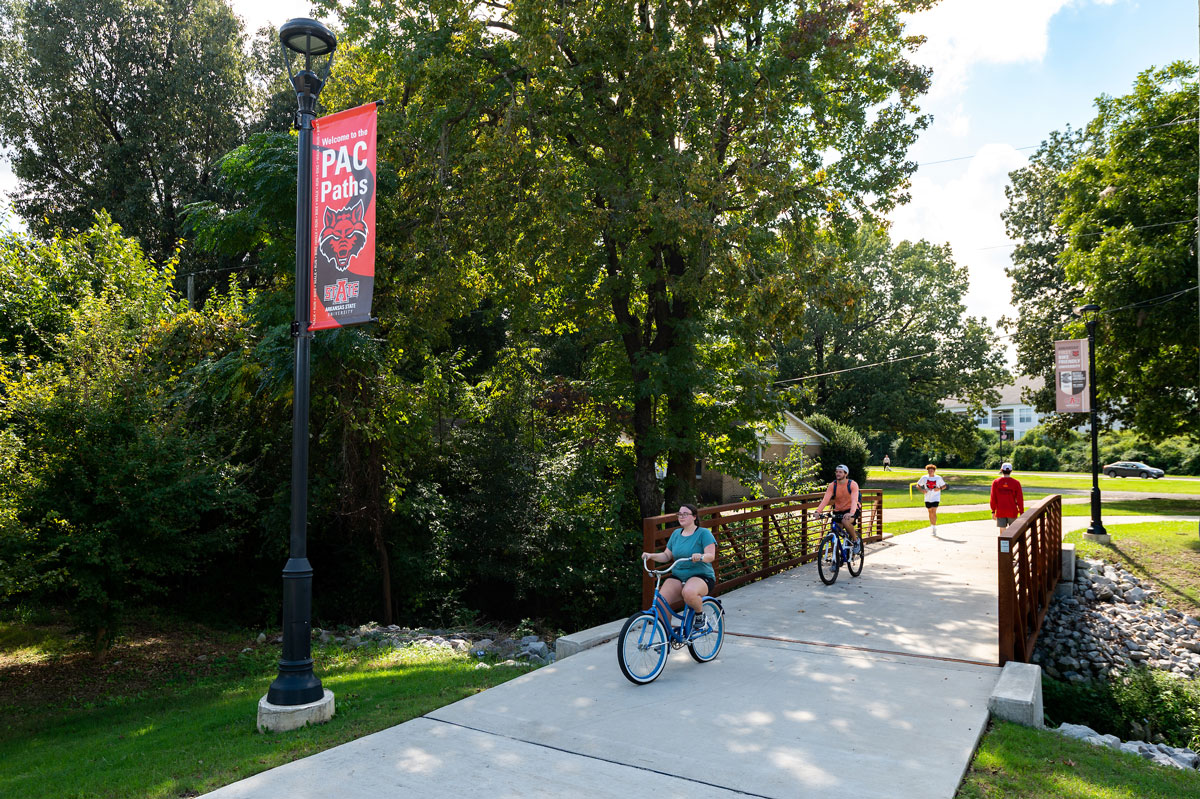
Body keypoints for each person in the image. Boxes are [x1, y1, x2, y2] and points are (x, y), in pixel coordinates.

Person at [642, 504, 717, 632]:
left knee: (688, 593)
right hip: (678, 575)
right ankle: (666, 636)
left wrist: (701, 556)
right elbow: (666, 555)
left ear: (694, 517)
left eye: (685, 514)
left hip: (701, 576)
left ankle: (700, 615)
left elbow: (711, 556)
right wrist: (651, 555)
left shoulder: (703, 533)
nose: (681, 516)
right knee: (660, 602)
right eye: (679, 514)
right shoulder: (676, 534)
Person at [812, 464, 862, 551]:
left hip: (852, 509)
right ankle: (837, 557)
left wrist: (851, 513)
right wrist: (818, 511)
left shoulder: (852, 484)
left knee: (845, 521)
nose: (838, 474)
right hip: (838, 510)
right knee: (833, 532)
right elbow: (825, 499)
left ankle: (856, 541)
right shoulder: (832, 485)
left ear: (845, 474)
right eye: (837, 472)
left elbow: (854, 500)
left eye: (840, 472)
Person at [990, 462, 1025, 529]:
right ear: (1011, 471)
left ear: (1001, 470)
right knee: (1013, 531)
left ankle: (1003, 540)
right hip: (1012, 511)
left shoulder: (996, 482)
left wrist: (993, 511)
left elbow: (993, 498)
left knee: (1002, 531)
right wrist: (1021, 512)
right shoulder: (1016, 483)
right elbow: (1020, 499)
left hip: (1000, 511)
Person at [917, 463, 947, 534]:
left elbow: (944, 486)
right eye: (929, 470)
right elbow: (918, 485)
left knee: (934, 510)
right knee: (930, 511)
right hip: (927, 498)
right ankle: (932, 525)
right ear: (927, 471)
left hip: (936, 497)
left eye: (932, 470)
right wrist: (922, 490)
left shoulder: (938, 478)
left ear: (934, 471)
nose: (930, 471)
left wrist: (939, 488)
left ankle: (934, 527)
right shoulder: (924, 478)